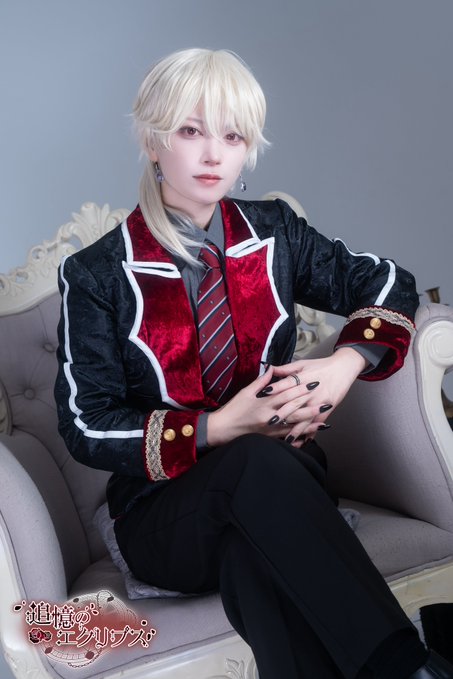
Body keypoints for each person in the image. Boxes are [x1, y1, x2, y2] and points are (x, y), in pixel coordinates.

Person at [54, 48, 453, 679]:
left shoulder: (276, 233)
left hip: (283, 486)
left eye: (233, 136)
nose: (214, 154)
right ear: (153, 141)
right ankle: (408, 667)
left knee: (253, 556)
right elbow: (86, 424)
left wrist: (345, 363)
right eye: (192, 131)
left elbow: (386, 282)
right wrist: (218, 428)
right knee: (251, 463)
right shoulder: (97, 272)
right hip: (163, 518)